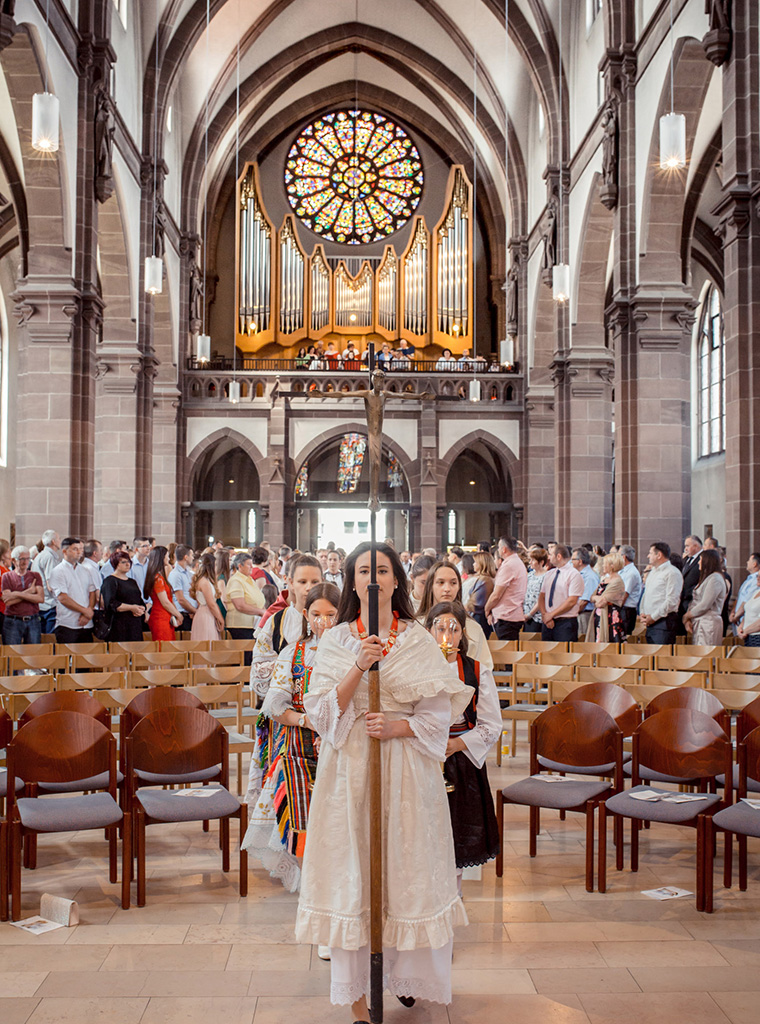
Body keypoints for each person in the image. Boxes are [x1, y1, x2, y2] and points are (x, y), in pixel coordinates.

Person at [295, 542, 471, 1017]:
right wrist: (359, 666)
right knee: (354, 871)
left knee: (405, 869)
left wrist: (397, 726)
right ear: (352, 581)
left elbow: (438, 717)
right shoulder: (336, 640)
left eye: (383, 570)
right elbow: (321, 714)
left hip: (406, 771)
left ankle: (404, 971)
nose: (373, 579)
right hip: (349, 771)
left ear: (397, 580)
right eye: (364, 571)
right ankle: (356, 992)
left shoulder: (417, 639)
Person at [242, 582, 341, 892]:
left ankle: (337, 880)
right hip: (299, 744)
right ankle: (309, 881)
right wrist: (306, 720)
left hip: (340, 743)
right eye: (317, 615)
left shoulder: (350, 651)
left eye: (331, 615)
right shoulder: (293, 652)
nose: (323, 622)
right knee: (301, 814)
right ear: (306, 615)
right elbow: (274, 705)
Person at [425, 601, 500, 886]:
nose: (447, 635)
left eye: (454, 629)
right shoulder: (416, 669)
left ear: (463, 634)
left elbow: (492, 724)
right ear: (428, 631)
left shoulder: (476, 671)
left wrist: (458, 744)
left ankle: (454, 892)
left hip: (460, 757)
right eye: (440, 628)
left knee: (458, 828)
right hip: (424, 754)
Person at [246, 554, 323, 805]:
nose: (309, 588)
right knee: (284, 796)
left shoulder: (333, 619)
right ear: (288, 582)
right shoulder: (276, 621)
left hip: (323, 721)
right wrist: (291, 666)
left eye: (315, 581)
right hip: (284, 719)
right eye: (302, 581)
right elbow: (259, 673)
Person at [417, 561, 493, 669]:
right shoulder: (417, 625)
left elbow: (484, 668)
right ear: (431, 586)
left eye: (453, 583)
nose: (447, 589)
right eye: (440, 582)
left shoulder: (472, 627)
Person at [48, 537, 97, 644]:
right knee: (67, 654)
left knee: (88, 654)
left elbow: (92, 592)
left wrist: (88, 611)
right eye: (75, 549)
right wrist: (85, 611)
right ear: (64, 551)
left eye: (80, 549)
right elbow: (63, 598)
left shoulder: (85, 570)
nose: (79, 552)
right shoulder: (58, 571)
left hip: (87, 624)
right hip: (68, 624)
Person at [638, 541, 684, 644]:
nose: (648, 556)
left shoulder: (672, 572)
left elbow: (672, 601)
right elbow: (646, 594)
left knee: (661, 653)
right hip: (650, 622)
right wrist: (642, 612)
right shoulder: (653, 572)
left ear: (659, 555)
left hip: (663, 623)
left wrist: (653, 617)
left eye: (650, 553)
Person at [484, 536, 528, 641]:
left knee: (506, 650)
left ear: (504, 549)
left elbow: (497, 595)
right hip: (512, 614)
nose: (498, 550)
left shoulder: (509, 565)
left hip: (507, 616)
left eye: (499, 547)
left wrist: (487, 609)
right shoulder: (517, 562)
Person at [538, 545, 584, 642]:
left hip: (565, 622)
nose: (548, 557)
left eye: (550, 554)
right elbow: (542, 596)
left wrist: (551, 615)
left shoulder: (573, 574)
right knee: (546, 650)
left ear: (558, 556)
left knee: (565, 650)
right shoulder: (549, 574)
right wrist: (545, 615)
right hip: (547, 621)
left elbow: (571, 601)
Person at [683, 549, 727, 645]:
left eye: (700, 560)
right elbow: (695, 600)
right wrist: (688, 618)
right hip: (700, 621)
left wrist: (687, 615)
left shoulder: (715, 579)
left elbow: (705, 604)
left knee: (707, 651)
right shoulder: (708, 577)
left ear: (707, 561)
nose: (698, 562)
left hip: (709, 623)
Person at [100, 551, 146, 643]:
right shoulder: (110, 581)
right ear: (115, 564)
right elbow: (111, 604)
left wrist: (142, 608)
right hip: (118, 624)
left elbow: (139, 599)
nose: (127, 564)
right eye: (123, 562)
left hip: (134, 623)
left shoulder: (132, 582)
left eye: (129, 561)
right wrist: (132, 608)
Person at [1, 547, 44, 645]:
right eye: (22, 559)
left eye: (28, 558)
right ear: (13, 560)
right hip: (12, 620)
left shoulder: (35, 576)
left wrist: (16, 594)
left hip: (33, 620)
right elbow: (8, 601)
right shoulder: (6, 576)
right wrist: (30, 591)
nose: (26, 562)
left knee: (33, 652)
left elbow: (40, 598)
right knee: (11, 652)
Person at [225, 551, 265, 655]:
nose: (252, 567)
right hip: (241, 626)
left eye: (252, 564)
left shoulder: (249, 579)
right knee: (246, 656)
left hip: (253, 624)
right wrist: (260, 611)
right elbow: (240, 605)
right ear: (240, 566)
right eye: (248, 564)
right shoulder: (236, 581)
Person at [145, 546, 183, 642]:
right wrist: (178, 615)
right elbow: (165, 602)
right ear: (161, 558)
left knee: (168, 645)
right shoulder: (157, 578)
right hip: (160, 617)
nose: (169, 559)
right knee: (163, 646)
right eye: (167, 556)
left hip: (165, 616)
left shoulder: (159, 576)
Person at [587, 553, 627, 643]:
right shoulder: (604, 579)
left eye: (605, 563)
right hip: (599, 616)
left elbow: (601, 602)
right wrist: (597, 598)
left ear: (612, 566)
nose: (603, 566)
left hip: (610, 617)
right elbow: (591, 597)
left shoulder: (617, 582)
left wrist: (597, 599)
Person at [31, 529, 62, 635]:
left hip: (41, 603)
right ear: (53, 541)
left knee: (42, 637)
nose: (60, 541)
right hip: (49, 605)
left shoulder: (40, 556)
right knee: (50, 638)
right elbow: (51, 584)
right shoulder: (49, 557)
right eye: (59, 538)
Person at [190, 552, 226, 640]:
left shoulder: (204, 580)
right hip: (206, 615)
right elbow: (211, 604)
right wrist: (221, 619)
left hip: (205, 613)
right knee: (207, 641)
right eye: (215, 565)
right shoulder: (204, 582)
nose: (217, 567)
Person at [464, 550, 496, 635]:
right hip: (477, 616)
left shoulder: (485, 581)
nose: (473, 564)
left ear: (482, 564)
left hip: (480, 618)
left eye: (475, 562)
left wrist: (461, 609)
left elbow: (476, 602)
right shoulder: (482, 579)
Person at [168, 545, 197, 632]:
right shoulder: (175, 574)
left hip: (191, 613)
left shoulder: (189, 573)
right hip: (183, 615)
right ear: (186, 557)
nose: (193, 558)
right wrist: (194, 611)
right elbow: (180, 599)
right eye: (191, 555)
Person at [729, 553, 760, 636]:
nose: (747, 562)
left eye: (749, 560)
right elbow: (739, 598)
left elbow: (747, 601)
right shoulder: (748, 579)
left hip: (748, 623)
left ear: (754, 564)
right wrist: (733, 612)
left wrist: (736, 617)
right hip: (739, 621)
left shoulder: (755, 581)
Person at [572, 548, 600, 637]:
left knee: (583, 638)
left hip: (585, 614)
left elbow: (584, 601)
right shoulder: (579, 574)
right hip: (578, 613)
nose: (571, 562)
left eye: (573, 559)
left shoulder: (589, 576)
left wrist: (571, 613)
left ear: (580, 561)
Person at [679, 535, 703, 635]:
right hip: (683, 602)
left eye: (687, 546)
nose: (685, 549)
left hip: (692, 600)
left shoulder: (703, 559)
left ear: (696, 546)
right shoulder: (686, 559)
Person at [522, 547, 549, 634]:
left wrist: (530, 614)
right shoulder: (530, 575)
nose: (530, 562)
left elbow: (542, 598)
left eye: (533, 560)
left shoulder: (546, 576)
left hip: (537, 616)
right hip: (526, 613)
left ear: (541, 562)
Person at [618, 545, 643, 636]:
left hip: (626, 610)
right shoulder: (623, 570)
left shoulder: (631, 573)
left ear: (624, 557)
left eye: (618, 555)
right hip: (622, 609)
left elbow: (624, 594)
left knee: (623, 636)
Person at [737, 569, 760, 647]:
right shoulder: (756, 592)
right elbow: (747, 612)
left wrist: (745, 630)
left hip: (757, 637)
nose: (758, 578)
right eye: (757, 576)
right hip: (748, 636)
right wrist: (741, 627)